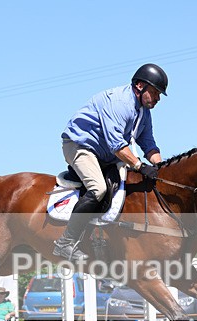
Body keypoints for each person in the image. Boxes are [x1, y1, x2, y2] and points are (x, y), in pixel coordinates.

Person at [55, 63, 168, 261]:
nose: (158, 98)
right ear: (140, 86)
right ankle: (66, 242)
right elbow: (117, 145)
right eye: (156, 92)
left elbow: (149, 144)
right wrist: (141, 166)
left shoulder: (143, 113)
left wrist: (162, 169)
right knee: (98, 189)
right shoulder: (119, 103)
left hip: (106, 155)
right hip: (80, 146)